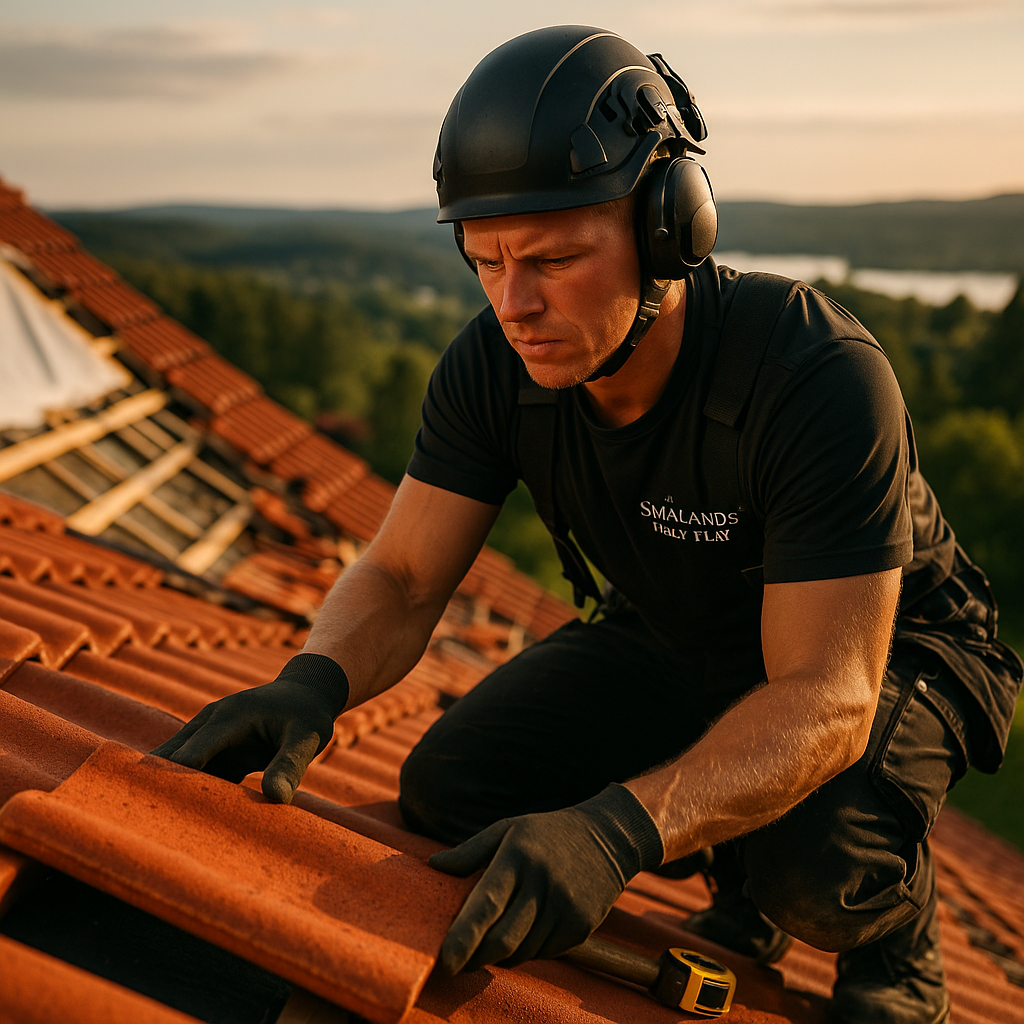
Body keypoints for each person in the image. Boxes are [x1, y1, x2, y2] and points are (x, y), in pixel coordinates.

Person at [153, 26, 1023, 1024]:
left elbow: (826, 694)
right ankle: (741, 865)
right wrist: (311, 681)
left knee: (816, 864)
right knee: (452, 789)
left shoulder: (814, 375)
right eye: (485, 263)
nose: (513, 305)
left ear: (669, 232)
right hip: (678, 628)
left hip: (886, 650)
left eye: (555, 259)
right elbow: (399, 575)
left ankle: (890, 934)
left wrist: (619, 831)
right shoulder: (494, 367)